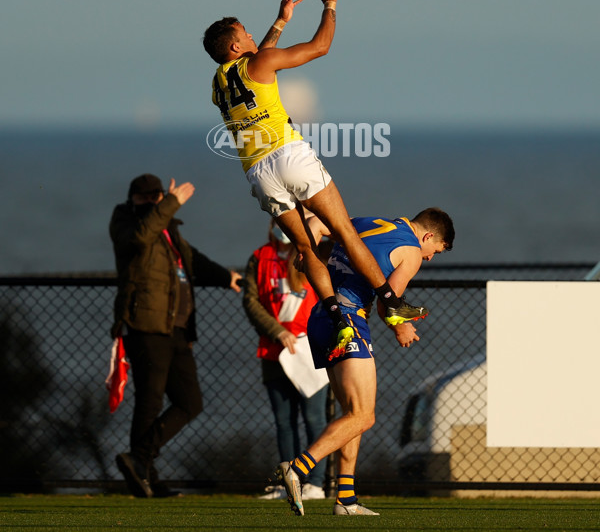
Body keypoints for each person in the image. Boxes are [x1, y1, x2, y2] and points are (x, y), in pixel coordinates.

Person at [203, 0, 426, 359]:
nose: (256, 37)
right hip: (289, 156)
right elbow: (320, 47)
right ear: (237, 45)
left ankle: (338, 317)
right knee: (343, 231)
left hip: (258, 173)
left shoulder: (218, 83)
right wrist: (330, 5)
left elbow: (259, 61)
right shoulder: (260, 61)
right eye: (248, 33)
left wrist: (280, 22)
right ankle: (391, 303)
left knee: (305, 248)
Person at [274, 207, 455, 517]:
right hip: (349, 321)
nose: (429, 259)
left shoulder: (369, 222)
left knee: (351, 415)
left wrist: (307, 252)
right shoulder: (410, 251)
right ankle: (297, 468)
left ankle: (345, 499)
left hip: (321, 317)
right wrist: (402, 326)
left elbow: (316, 224)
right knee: (364, 417)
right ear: (427, 236)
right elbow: (388, 305)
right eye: (434, 250)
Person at [109, 173, 242, 498]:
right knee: (149, 401)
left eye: (156, 196)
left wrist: (227, 277)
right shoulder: (125, 221)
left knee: (189, 402)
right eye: (146, 197)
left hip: (177, 328)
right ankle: (146, 477)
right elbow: (140, 239)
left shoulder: (167, 227)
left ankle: (139, 462)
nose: (152, 200)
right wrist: (169, 203)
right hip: (145, 325)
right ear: (133, 198)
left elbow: (192, 259)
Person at [243, 220, 329, 501]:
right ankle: (287, 484)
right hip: (274, 352)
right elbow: (251, 302)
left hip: (310, 351)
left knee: (315, 419)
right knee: (284, 422)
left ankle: (315, 484)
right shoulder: (258, 257)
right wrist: (276, 331)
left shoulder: (311, 255)